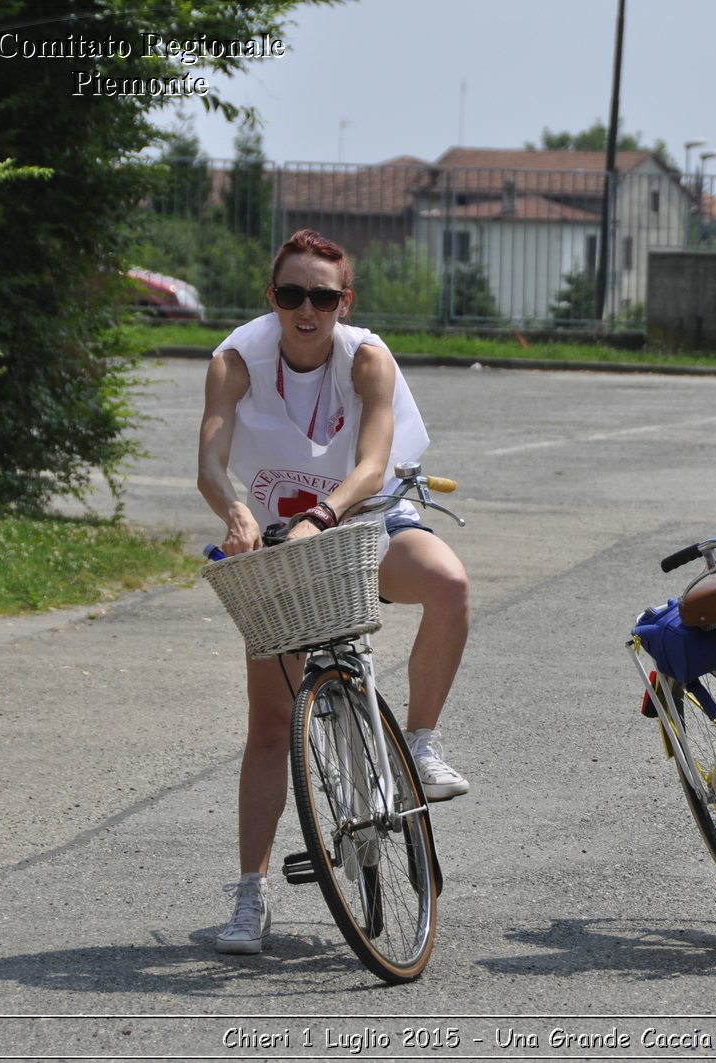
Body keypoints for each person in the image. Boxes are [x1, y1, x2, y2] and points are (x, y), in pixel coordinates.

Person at [196, 229, 471, 955]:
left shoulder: (367, 358)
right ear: (273, 299)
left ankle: (420, 744)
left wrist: (324, 512)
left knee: (449, 583)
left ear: (344, 301)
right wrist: (235, 509)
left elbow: (376, 462)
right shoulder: (234, 361)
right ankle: (250, 899)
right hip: (280, 543)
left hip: (363, 527)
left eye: (323, 295)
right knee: (268, 724)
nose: (307, 309)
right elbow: (210, 461)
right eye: (292, 294)